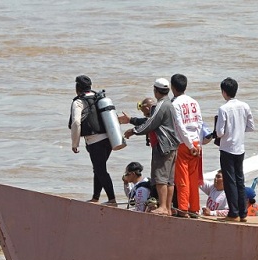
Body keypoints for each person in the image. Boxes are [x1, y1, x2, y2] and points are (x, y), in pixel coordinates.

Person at [123, 78, 181, 215]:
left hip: (163, 146)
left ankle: (163, 207)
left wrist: (133, 131)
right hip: (172, 145)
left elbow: (151, 123)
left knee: (161, 178)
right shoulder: (169, 104)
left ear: (156, 91)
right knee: (169, 180)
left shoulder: (161, 105)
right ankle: (167, 208)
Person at [69, 75, 117, 206]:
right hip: (110, 139)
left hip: (95, 142)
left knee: (100, 170)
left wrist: (75, 143)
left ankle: (112, 200)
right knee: (98, 168)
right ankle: (95, 198)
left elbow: (76, 123)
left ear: (77, 87)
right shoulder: (99, 98)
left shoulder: (78, 102)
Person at [215, 77, 255, 222]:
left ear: (224, 92)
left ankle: (233, 213)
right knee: (240, 180)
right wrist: (238, 129)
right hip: (240, 147)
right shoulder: (245, 106)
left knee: (229, 181)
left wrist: (228, 131)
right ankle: (243, 213)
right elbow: (251, 126)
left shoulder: (223, 109)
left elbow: (219, 132)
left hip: (227, 148)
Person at [170, 73, 203, 218]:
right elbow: (200, 123)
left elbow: (180, 126)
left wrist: (189, 145)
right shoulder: (194, 102)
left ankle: (183, 208)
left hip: (183, 144)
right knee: (193, 178)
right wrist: (198, 144)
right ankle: (194, 209)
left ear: (172, 87)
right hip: (196, 142)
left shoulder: (175, 104)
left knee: (182, 178)